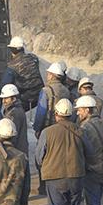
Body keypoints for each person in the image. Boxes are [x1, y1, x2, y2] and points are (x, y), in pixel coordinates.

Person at [36, 99, 91, 205]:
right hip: (76, 176)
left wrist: (44, 167)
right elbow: (90, 152)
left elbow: (39, 156)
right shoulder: (80, 131)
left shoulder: (48, 132)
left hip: (55, 177)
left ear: (56, 114)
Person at [33, 62, 72, 195]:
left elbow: (41, 112)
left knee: (42, 157)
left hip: (47, 128)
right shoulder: (66, 90)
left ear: (51, 75)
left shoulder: (46, 91)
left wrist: (37, 128)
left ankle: (44, 186)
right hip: (63, 127)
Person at [0, 36, 44, 110]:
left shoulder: (12, 66)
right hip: (39, 96)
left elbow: (4, 85)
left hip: (25, 99)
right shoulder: (33, 58)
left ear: (11, 50)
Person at [0, 84, 28, 156]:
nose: (3, 101)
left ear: (14, 99)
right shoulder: (16, 110)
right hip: (20, 151)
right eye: (3, 98)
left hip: (16, 152)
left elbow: (11, 136)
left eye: (6, 98)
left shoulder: (13, 114)